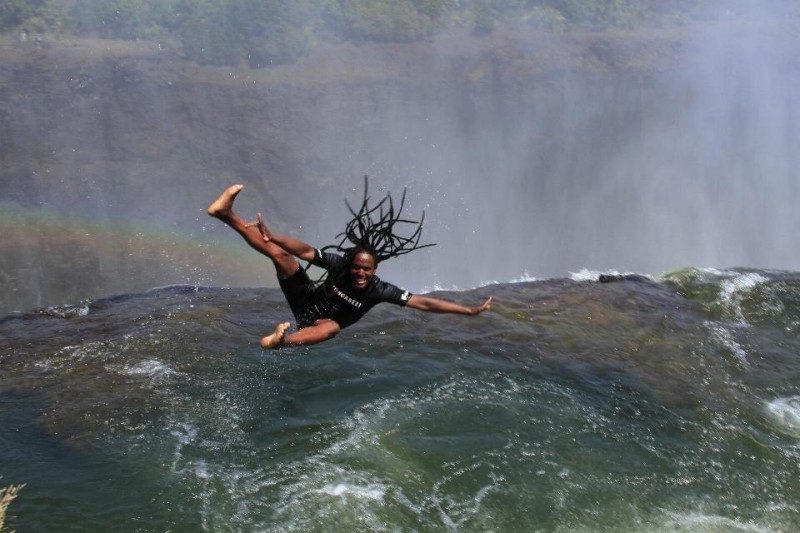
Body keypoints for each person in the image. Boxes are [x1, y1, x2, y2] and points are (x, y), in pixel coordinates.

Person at [207, 183, 492, 349]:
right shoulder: (340, 265)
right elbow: (305, 251)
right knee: (282, 257)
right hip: (305, 298)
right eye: (357, 267)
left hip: (314, 324)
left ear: (374, 271)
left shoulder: (380, 290)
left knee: (333, 327)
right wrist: (274, 238)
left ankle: (282, 342)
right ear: (352, 264)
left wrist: (468, 310)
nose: (360, 272)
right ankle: (225, 214)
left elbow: (425, 304)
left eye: (366, 270)